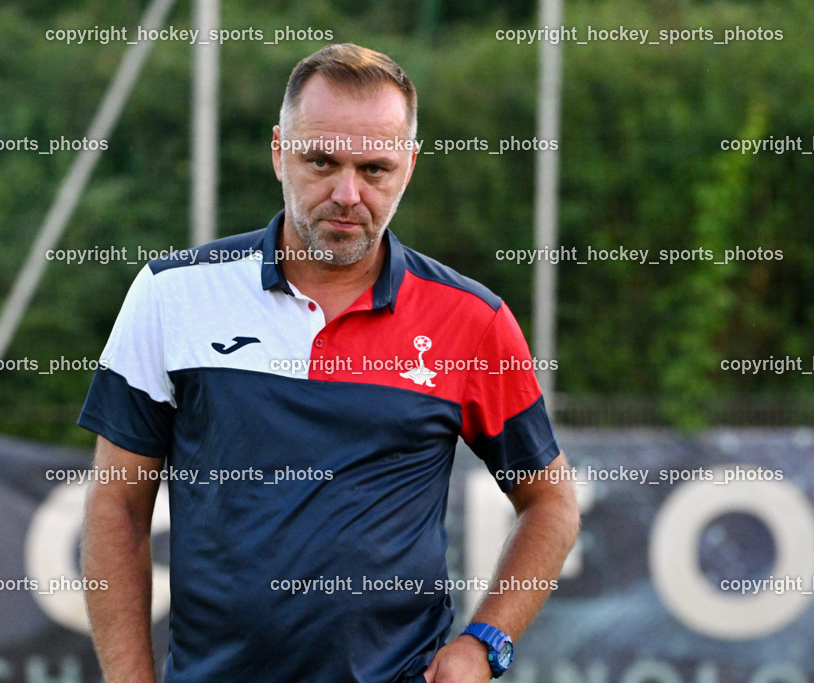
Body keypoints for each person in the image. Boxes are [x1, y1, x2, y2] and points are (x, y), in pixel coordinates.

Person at [78, 43, 579, 682]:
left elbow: (552, 502)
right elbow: (117, 506)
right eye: (321, 161)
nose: (347, 193)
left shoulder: (472, 321)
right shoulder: (172, 295)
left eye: (375, 168)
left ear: (410, 167)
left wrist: (486, 641)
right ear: (279, 152)